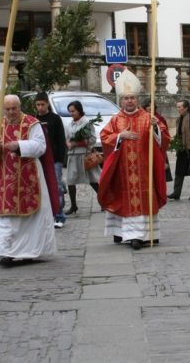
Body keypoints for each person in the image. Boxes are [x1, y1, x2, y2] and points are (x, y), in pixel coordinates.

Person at [0, 95, 60, 265]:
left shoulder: (32, 123)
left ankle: (30, 251)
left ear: (20, 107)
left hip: (29, 176)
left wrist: (19, 146)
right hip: (4, 177)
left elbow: (40, 146)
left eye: (14, 108)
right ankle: (5, 252)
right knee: (4, 217)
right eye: (8, 109)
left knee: (31, 218)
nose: (11, 112)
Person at [98, 70, 170, 249]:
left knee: (143, 198)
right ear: (121, 100)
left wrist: (156, 129)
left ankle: (142, 235)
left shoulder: (148, 118)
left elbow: (164, 139)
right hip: (122, 170)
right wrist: (120, 136)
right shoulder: (116, 120)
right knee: (123, 198)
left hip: (144, 171)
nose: (129, 101)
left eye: (132, 98)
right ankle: (122, 232)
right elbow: (105, 137)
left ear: (137, 99)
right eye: (126, 98)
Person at [35, 92, 67, 228]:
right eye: (38, 105)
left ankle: (59, 215)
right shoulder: (33, 119)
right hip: (39, 159)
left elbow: (61, 140)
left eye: (42, 104)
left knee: (57, 186)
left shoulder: (55, 119)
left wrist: (60, 159)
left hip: (54, 159)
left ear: (47, 104)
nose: (40, 107)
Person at [64, 100, 100, 214]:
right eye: (70, 111)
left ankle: (104, 202)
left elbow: (93, 139)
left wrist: (78, 143)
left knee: (93, 180)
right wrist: (67, 143)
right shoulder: (70, 124)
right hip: (72, 155)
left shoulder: (87, 123)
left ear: (79, 110)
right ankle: (73, 206)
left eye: (73, 111)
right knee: (70, 180)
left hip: (85, 155)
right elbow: (67, 138)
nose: (71, 113)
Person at [168, 100, 190, 201]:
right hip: (182, 150)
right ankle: (176, 193)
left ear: (186, 108)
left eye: (179, 107)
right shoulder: (179, 119)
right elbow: (179, 135)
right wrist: (175, 143)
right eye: (177, 107)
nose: (178, 109)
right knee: (179, 172)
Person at [142, 99, 173, 183]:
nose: (150, 108)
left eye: (152, 106)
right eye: (148, 106)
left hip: (158, 149)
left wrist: (156, 127)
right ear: (144, 107)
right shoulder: (141, 118)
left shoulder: (159, 118)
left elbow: (165, 133)